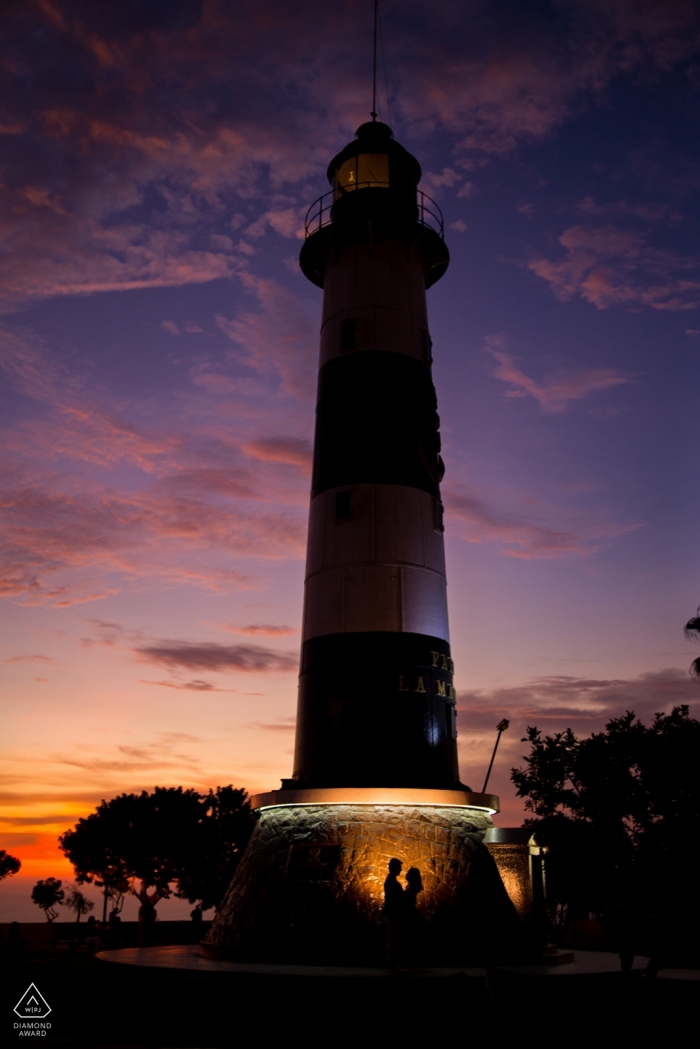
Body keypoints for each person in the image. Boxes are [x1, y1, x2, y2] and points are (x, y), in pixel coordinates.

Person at [383, 858, 404, 970]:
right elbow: (395, 899)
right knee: (393, 938)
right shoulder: (392, 883)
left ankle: (390, 961)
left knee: (391, 938)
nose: (401, 870)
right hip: (393, 913)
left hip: (391, 912)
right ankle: (391, 962)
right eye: (399, 868)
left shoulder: (390, 881)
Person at [403, 867, 424, 968]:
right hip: (410, 914)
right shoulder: (410, 886)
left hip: (410, 915)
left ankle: (412, 961)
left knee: (411, 938)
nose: (406, 874)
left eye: (408, 873)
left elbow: (405, 900)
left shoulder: (412, 888)